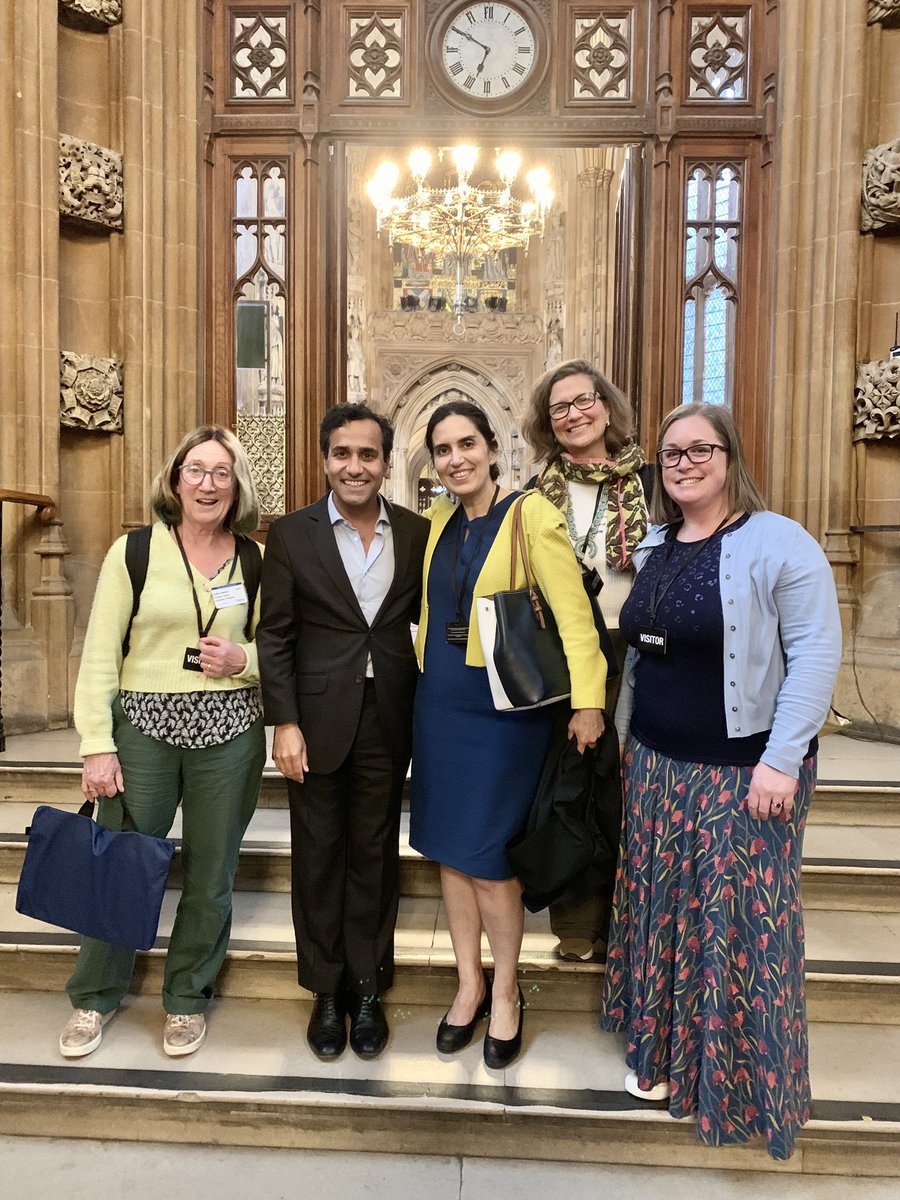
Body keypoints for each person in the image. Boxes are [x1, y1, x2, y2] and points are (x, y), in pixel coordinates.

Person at [602, 402, 842, 1161]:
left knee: (735, 930)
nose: (684, 464)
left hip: (742, 774)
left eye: (699, 450)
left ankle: (731, 1084)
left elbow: (814, 653)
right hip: (658, 765)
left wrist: (780, 758)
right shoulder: (657, 542)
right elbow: (645, 653)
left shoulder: (779, 542)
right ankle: (668, 1056)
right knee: (667, 914)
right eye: (671, 455)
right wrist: (623, 737)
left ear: (730, 454)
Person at [410, 400, 606, 1069]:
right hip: (439, 705)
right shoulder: (435, 521)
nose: (455, 459)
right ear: (431, 462)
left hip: (504, 715)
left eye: (467, 444)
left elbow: (575, 617)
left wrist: (589, 702)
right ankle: (467, 984)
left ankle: (506, 993)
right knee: (450, 855)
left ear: (493, 450)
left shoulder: (531, 515)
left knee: (491, 863)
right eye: (442, 449)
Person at [60, 426, 265, 1059]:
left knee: (211, 874)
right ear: (174, 481)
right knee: (122, 866)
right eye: (196, 471)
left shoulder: (254, 559)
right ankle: (95, 997)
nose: (208, 484)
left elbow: (278, 648)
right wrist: (97, 743)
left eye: (221, 473)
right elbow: (99, 653)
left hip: (229, 731)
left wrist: (244, 659)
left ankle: (186, 998)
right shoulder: (136, 552)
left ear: (237, 487)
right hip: (143, 729)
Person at [256, 404, 428, 1061]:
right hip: (316, 723)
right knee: (319, 859)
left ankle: (367, 988)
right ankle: (325, 993)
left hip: (388, 718)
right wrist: (285, 723)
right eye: (342, 454)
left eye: (368, 455)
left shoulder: (414, 533)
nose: (354, 467)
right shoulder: (293, 535)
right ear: (324, 459)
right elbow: (275, 637)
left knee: (376, 859)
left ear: (386, 462)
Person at [523, 359, 649, 963]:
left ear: (606, 405)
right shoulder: (533, 494)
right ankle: (575, 922)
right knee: (572, 784)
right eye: (559, 408)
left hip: (639, 649)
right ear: (547, 424)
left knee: (626, 785)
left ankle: (631, 921)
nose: (574, 415)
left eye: (583, 401)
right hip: (565, 649)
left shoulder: (651, 482)